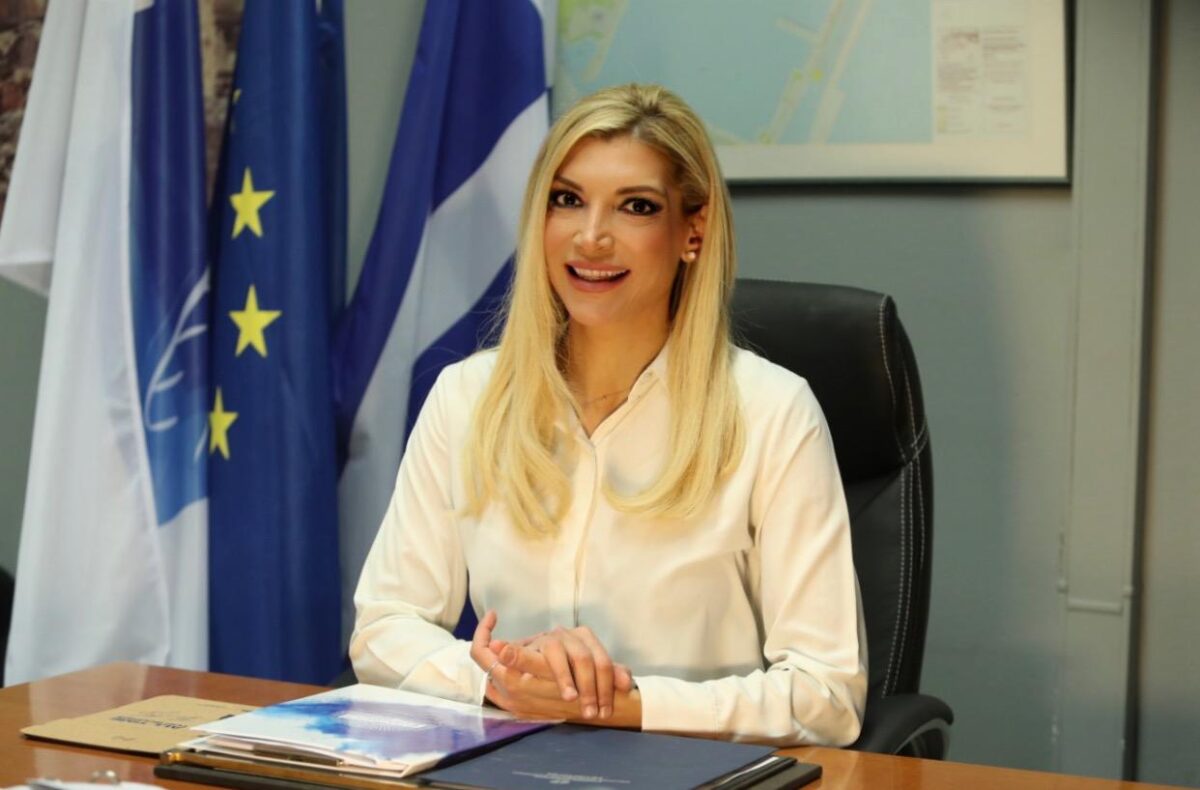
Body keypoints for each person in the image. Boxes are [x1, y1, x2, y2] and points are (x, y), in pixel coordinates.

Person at [350, 84, 866, 746]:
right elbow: (383, 627)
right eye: (567, 200)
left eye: (636, 207)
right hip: (508, 760)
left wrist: (623, 704)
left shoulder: (773, 412)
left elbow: (826, 696)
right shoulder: (467, 397)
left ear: (693, 231)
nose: (591, 237)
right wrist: (502, 679)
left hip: (689, 770)